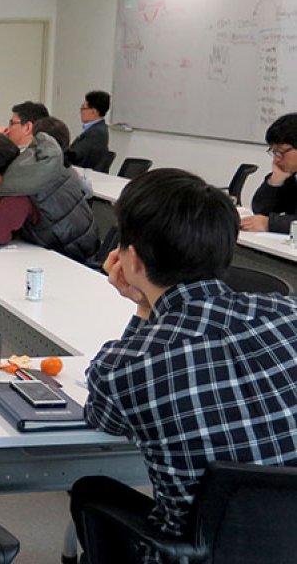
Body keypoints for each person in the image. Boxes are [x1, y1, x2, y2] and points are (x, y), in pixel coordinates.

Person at [71, 168, 297, 563]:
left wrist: (143, 307)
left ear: (133, 259)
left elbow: (104, 419)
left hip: (197, 555)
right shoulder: (288, 312)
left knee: (92, 489)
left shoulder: (127, 367)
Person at [0, 131, 98, 263]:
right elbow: (14, 218)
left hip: (70, 258)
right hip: (82, 244)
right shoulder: (32, 168)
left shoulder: (18, 189)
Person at [241, 112, 297, 233]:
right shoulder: (291, 174)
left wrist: (270, 224)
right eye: (274, 152)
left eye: (281, 152)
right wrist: (275, 181)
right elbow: (260, 210)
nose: (276, 159)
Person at [66, 90, 110, 170]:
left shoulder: (96, 133)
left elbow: (75, 155)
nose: (80, 112)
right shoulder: (98, 129)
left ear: (94, 112)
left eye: (83, 108)